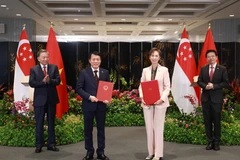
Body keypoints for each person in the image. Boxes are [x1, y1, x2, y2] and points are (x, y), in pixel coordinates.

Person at [76, 51, 110, 160]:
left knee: (101, 130)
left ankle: (101, 152)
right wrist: (89, 97)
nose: (96, 61)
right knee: (88, 130)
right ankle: (89, 151)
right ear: (90, 61)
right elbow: (79, 89)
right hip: (88, 105)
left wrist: (107, 98)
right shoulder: (83, 73)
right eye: (94, 59)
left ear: (100, 60)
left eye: (98, 59)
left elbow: (108, 88)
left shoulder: (105, 72)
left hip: (101, 106)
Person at [139, 48, 170, 160]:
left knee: (158, 128)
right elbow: (141, 85)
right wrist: (142, 97)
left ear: (159, 57)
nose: (154, 58)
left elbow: (167, 87)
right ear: (149, 57)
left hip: (160, 104)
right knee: (149, 128)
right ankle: (150, 152)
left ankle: (158, 154)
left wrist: (161, 99)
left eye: (156, 56)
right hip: (147, 103)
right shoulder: (145, 70)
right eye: (152, 55)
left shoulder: (165, 70)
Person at [29, 49, 60, 153]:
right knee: (39, 123)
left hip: (51, 100)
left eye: (47, 57)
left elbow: (58, 81)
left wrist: (50, 80)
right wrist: (43, 82)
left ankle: (51, 144)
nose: (46, 59)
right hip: (39, 100)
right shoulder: (34, 69)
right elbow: (32, 83)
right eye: (43, 57)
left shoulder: (54, 68)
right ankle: (39, 145)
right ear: (38, 59)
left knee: (51, 122)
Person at [197, 49, 229, 151]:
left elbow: (226, 83)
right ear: (206, 58)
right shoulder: (203, 69)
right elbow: (199, 81)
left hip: (217, 99)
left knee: (216, 121)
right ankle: (210, 141)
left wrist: (214, 86)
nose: (210, 58)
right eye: (209, 56)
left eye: (212, 56)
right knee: (207, 121)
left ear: (216, 57)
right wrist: (205, 86)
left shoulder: (222, 69)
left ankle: (216, 142)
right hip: (206, 99)